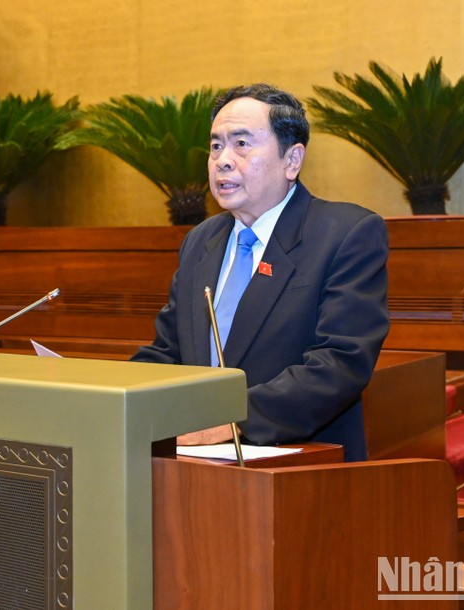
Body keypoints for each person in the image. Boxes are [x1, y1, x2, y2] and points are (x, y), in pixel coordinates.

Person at [130, 83, 389, 461]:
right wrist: (110, 396)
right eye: (216, 145)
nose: (222, 159)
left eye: (242, 143)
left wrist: (234, 421)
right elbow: (168, 353)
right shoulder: (201, 241)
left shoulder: (345, 233)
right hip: (192, 465)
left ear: (292, 160)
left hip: (299, 463)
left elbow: (340, 362)